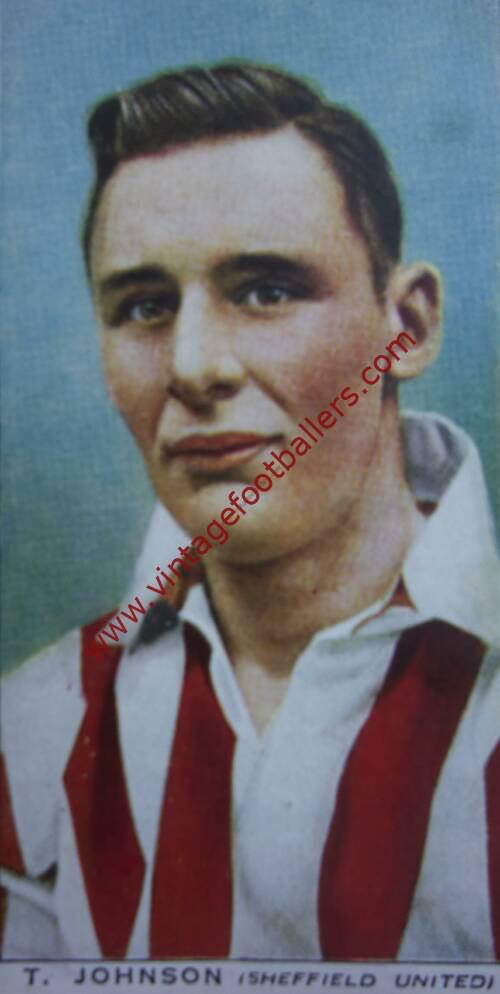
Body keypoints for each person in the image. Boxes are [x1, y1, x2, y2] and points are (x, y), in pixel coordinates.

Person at [1, 62, 498, 962]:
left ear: (408, 327)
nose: (194, 366)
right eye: (144, 306)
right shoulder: (33, 730)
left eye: (266, 290)